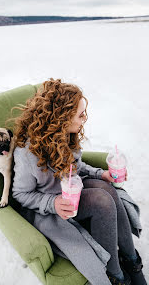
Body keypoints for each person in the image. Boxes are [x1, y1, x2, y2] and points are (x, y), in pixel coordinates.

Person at [8, 78, 147, 285]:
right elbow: (20, 195)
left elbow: (76, 166)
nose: (84, 119)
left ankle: (132, 262)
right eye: (80, 115)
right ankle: (115, 275)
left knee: (106, 188)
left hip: (70, 192)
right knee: (101, 199)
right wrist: (51, 204)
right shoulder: (27, 154)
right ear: (62, 118)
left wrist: (101, 174)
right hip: (49, 209)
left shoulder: (63, 135)